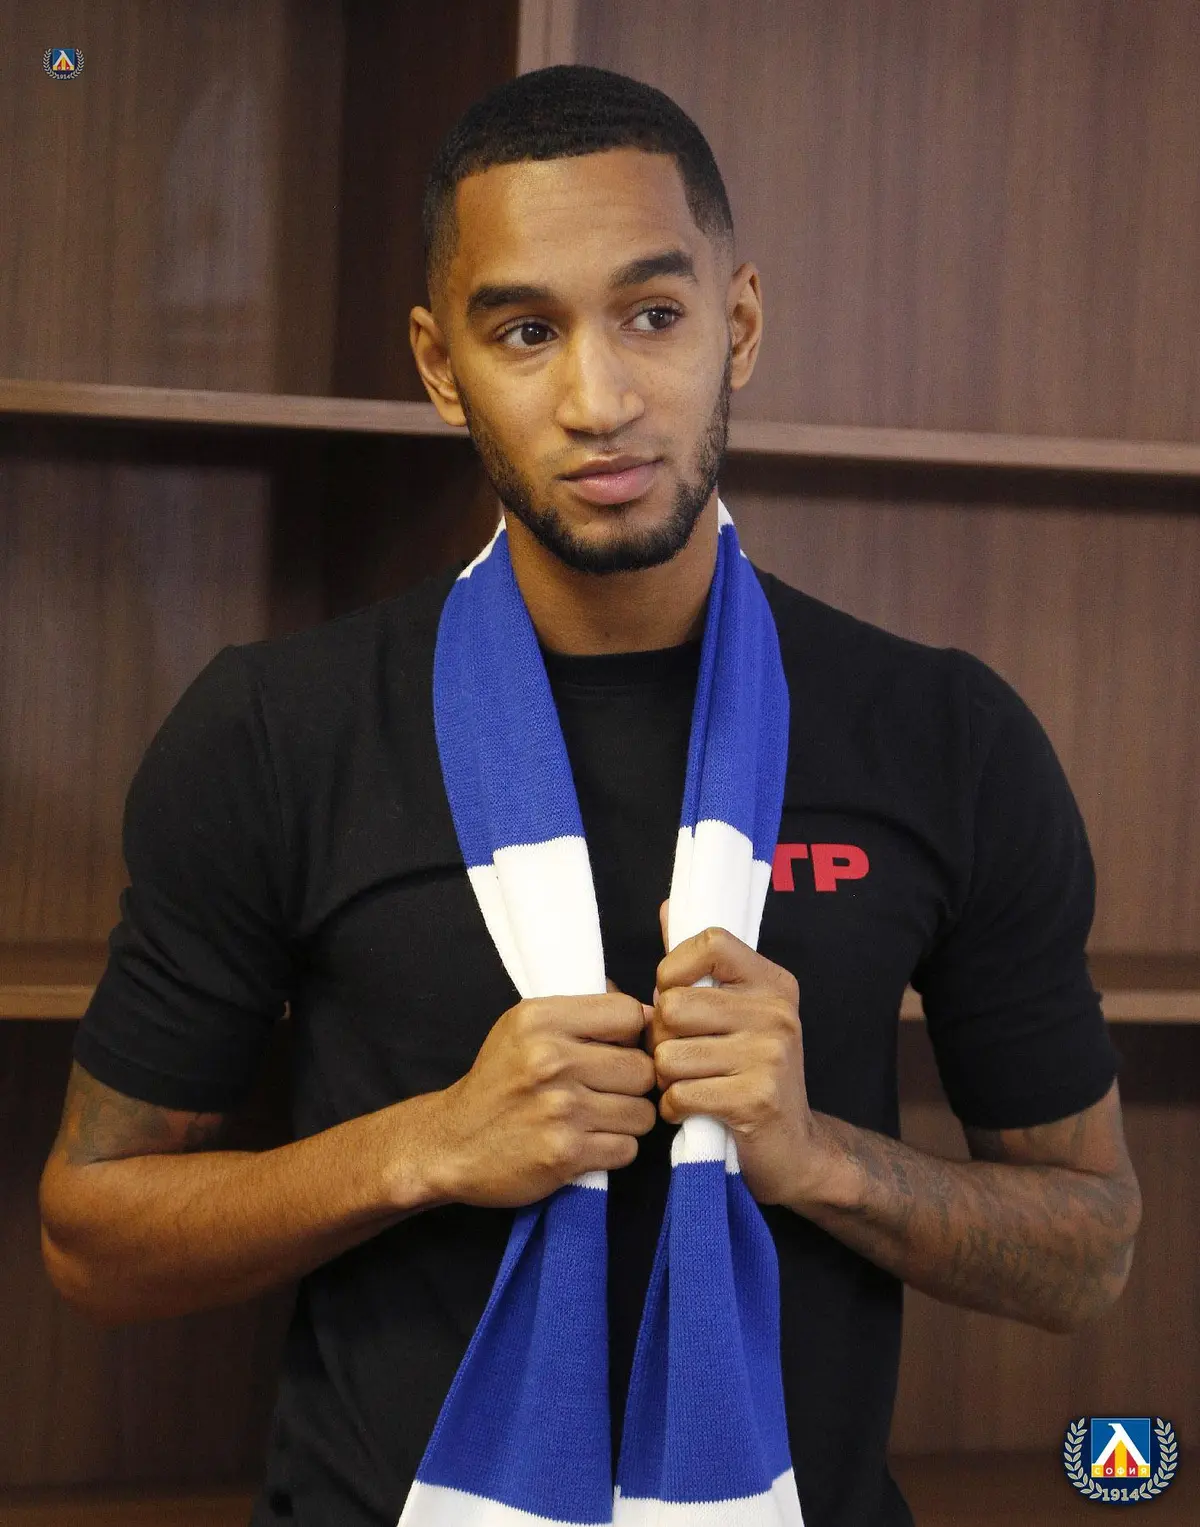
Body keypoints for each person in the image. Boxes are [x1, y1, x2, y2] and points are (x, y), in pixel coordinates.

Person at [39, 65, 1141, 1527]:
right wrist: (429, 1145)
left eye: (653, 315)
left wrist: (819, 1158)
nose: (599, 400)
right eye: (524, 331)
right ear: (441, 367)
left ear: (738, 325)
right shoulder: (276, 732)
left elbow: (1089, 1249)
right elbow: (94, 1237)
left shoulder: (945, 735)